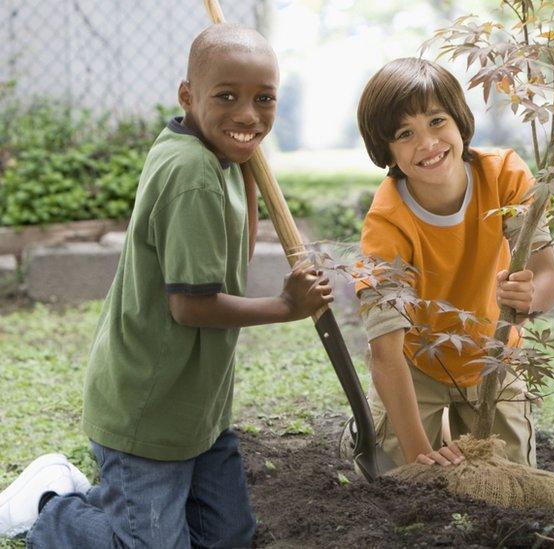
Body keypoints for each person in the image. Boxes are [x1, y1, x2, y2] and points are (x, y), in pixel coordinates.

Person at [0, 23, 332, 547]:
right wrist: (286, 305)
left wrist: (245, 160)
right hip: (148, 412)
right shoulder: (191, 174)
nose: (248, 114)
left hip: (196, 408)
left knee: (227, 538)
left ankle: (108, 505)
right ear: (187, 95)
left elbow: (231, 261)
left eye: (263, 99)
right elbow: (190, 307)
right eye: (227, 96)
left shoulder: (213, 153)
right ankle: (51, 508)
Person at [350, 57, 554, 475]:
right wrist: (417, 455)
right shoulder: (386, 222)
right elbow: (385, 352)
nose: (426, 143)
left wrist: (531, 297)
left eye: (436, 121)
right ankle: (380, 430)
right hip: (417, 367)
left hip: (492, 355)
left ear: (459, 119)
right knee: (400, 478)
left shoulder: (504, 176)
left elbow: (549, 275)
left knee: (510, 476)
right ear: (385, 149)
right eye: (404, 134)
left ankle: (452, 428)